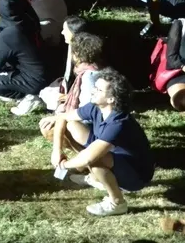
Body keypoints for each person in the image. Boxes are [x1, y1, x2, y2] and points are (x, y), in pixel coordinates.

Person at [50, 68, 154, 216]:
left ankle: (117, 203)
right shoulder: (96, 107)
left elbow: (89, 157)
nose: (93, 91)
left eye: (98, 90)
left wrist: (63, 165)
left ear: (111, 99)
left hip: (135, 176)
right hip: (114, 157)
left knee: (95, 159)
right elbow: (63, 117)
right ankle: (96, 178)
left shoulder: (118, 123)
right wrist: (56, 151)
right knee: (71, 126)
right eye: (95, 87)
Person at [38, 30, 104, 129]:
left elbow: (87, 112)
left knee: (47, 128)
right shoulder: (97, 68)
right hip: (90, 119)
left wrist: (63, 118)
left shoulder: (88, 76)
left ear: (77, 54)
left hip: (87, 125)